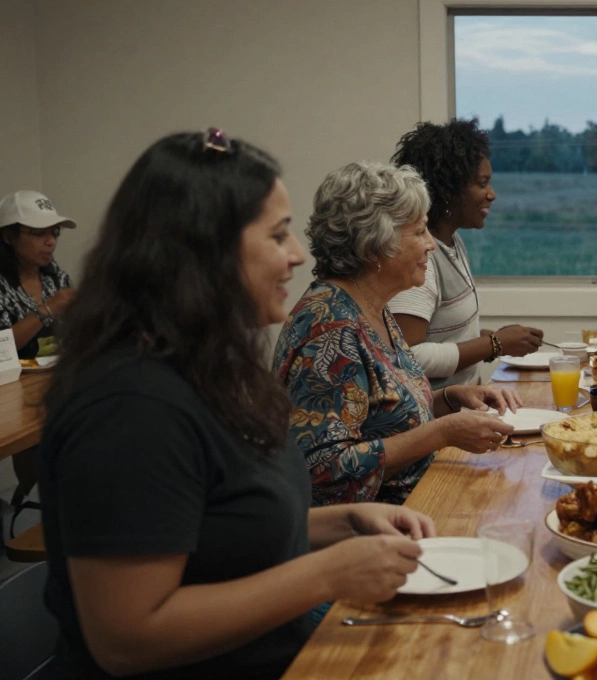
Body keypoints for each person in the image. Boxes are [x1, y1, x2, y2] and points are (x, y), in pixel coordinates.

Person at [38, 130, 434, 679]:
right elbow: (127, 638)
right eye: (277, 236)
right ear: (204, 252)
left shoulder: (212, 365)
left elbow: (222, 527)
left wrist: (343, 521)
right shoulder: (129, 407)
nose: (298, 255)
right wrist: (326, 575)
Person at [274, 160, 519, 507]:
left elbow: (381, 417)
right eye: (419, 232)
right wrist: (443, 432)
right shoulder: (329, 331)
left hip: (419, 503)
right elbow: (324, 473)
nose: (431, 244)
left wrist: (449, 398)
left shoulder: (372, 308)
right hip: (373, 534)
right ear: (375, 244)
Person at [387, 118, 543, 390]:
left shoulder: (452, 242)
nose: (491, 194)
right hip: (439, 420)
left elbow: (447, 338)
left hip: (469, 407)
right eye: (482, 184)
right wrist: (493, 344)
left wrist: (497, 339)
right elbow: (408, 356)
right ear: (448, 191)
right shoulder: (422, 257)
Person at [0, 191, 76, 358]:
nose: (51, 242)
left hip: (54, 376)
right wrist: (47, 309)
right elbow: (2, 349)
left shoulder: (57, 277)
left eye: (55, 233)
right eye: (39, 234)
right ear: (8, 237)